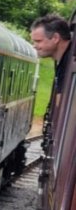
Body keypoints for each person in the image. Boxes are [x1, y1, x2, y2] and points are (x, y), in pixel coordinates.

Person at [31, 14, 73, 152]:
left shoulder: (69, 62)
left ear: (55, 38)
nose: (34, 46)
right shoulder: (62, 61)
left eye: (38, 41)